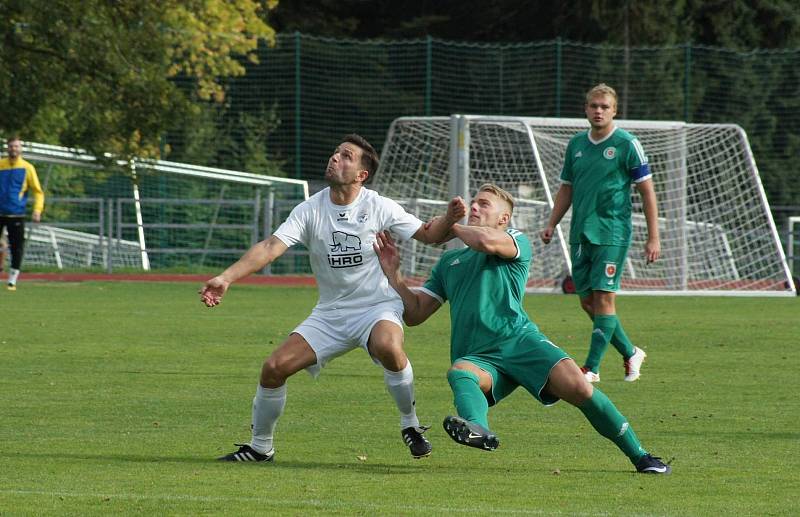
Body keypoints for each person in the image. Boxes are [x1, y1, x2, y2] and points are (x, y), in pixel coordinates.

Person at [200, 133, 467, 462]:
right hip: (330, 313)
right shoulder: (310, 209)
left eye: (346, 156)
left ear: (361, 175)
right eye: (336, 152)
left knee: (388, 346)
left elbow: (429, 234)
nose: (335, 158)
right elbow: (271, 247)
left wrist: (450, 219)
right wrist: (226, 277)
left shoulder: (378, 205)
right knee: (273, 368)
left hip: (376, 306)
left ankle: (410, 425)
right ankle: (260, 447)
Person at [374, 183, 671, 474]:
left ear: (503, 219)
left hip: (521, 342)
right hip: (480, 356)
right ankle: (478, 429)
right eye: (473, 202)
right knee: (459, 372)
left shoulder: (515, 239)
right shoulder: (449, 262)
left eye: (484, 204)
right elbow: (415, 314)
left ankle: (641, 456)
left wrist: (449, 226)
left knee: (581, 387)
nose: (475, 206)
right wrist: (394, 274)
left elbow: (487, 243)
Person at [541, 83, 660, 383]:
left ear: (614, 110)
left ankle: (591, 368)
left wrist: (653, 236)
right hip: (581, 233)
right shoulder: (576, 145)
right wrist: (551, 222)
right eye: (593, 106)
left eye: (604, 106)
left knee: (605, 300)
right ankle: (631, 352)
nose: (598, 111)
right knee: (587, 303)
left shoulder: (626, 144)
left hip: (612, 232)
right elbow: (566, 187)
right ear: (586, 109)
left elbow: (647, 192)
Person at [0, 136, 44, 291]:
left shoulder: (27, 168)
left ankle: (12, 279)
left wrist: (37, 210)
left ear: (21, 149)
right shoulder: (1, 165)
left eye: (16, 146)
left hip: (16, 214)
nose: (14, 149)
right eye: (11, 146)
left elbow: (38, 192)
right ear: (7, 148)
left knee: (17, 247)